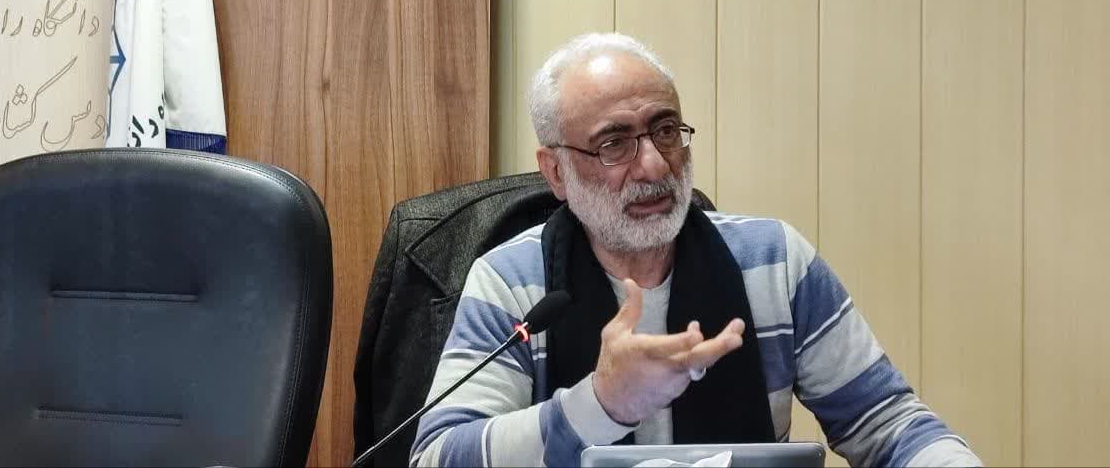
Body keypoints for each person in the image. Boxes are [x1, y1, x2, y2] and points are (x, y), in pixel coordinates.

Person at [410, 33, 981, 467]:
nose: (655, 166)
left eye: (665, 130)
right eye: (614, 144)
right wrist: (599, 404)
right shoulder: (511, 282)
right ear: (556, 171)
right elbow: (436, 456)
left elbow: (890, 425)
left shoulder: (775, 263)